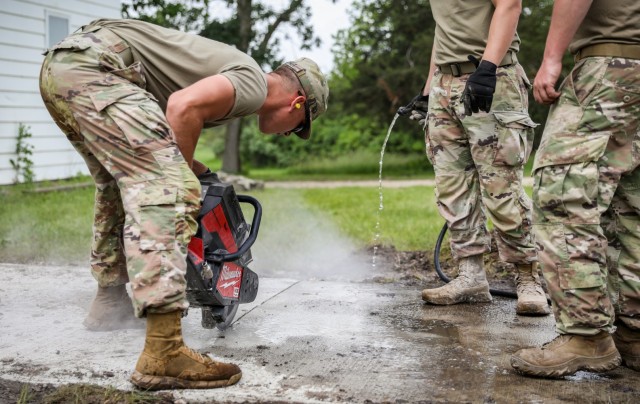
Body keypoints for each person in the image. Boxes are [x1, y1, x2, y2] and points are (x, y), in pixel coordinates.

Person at [39, 18, 329, 390]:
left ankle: (109, 302)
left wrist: (199, 171)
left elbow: (165, 126)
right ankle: (164, 351)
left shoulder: (234, 76)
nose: (290, 134)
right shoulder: (254, 84)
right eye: (297, 126)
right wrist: (182, 188)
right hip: (100, 68)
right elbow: (181, 107)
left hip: (63, 68)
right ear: (297, 103)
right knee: (168, 189)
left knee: (118, 182)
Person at [510, 0, 640, 378]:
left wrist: (552, 57)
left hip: (609, 67)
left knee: (562, 194)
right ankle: (634, 331)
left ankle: (587, 336)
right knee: (630, 205)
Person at [401, 0, 549, 315]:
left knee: (501, 187)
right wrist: (429, 90)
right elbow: (445, 31)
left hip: (491, 78)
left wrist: (488, 68)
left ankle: (528, 279)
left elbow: (509, 5)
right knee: (451, 185)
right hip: (445, 84)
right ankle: (471, 276)